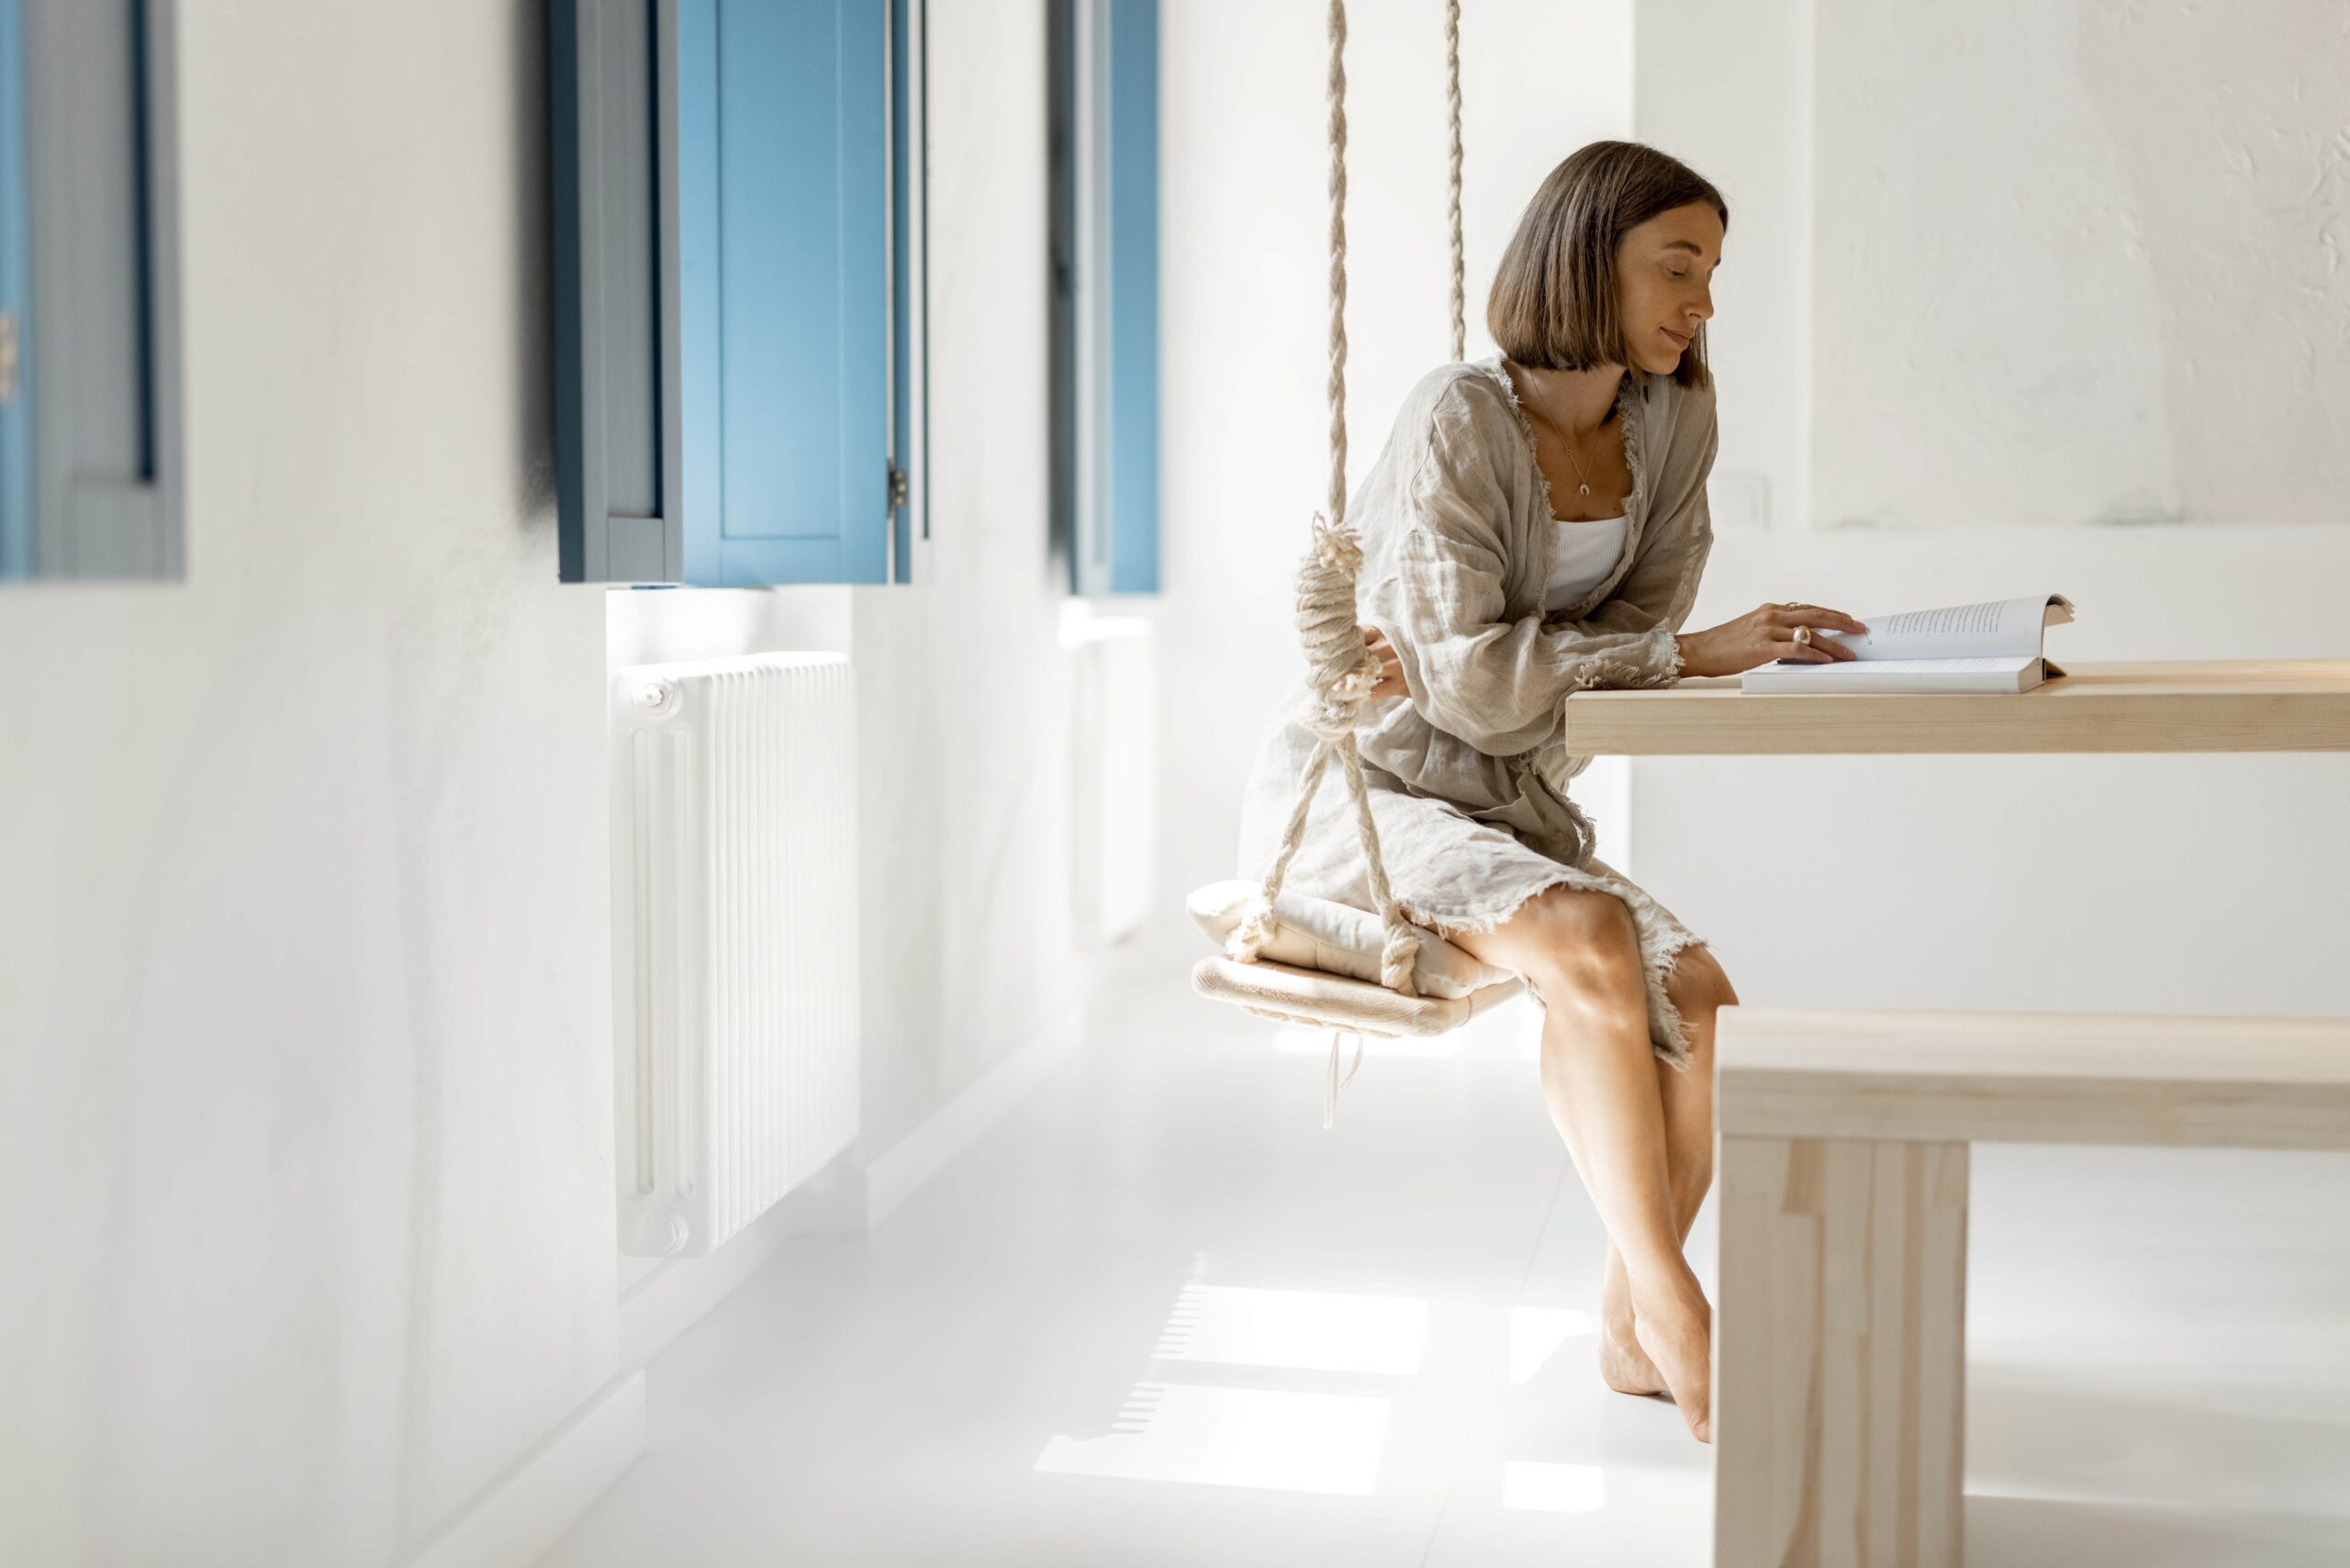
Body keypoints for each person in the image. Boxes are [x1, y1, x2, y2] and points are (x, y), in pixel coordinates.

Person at [1233, 140, 1866, 1442]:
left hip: (1515, 805)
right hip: (1378, 792)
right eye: (1675, 269)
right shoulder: (1458, 417)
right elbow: (1463, 681)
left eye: (1711, 274)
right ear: (1588, 262)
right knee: (1586, 943)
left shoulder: (1676, 412)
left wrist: (1595, 659)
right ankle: (1681, 1314)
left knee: (1704, 1009)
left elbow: (1631, 613)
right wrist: (1669, 658)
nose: (1700, 306)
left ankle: (1631, 1323)